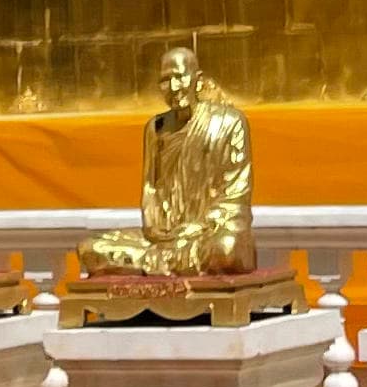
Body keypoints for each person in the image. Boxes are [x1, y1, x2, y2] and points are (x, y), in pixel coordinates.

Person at [74, 42, 256, 278]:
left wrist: (199, 226)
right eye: (165, 80)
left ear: (197, 80)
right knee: (90, 248)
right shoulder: (155, 128)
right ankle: (169, 263)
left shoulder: (229, 122)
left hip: (208, 231)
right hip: (163, 237)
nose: (173, 87)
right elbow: (150, 188)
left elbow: (236, 195)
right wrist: (156, 229)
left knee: (227, 248)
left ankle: (154, 264)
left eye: (180, 77)